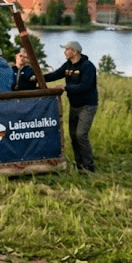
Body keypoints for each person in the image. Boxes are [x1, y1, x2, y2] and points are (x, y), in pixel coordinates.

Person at [43, 41, 98, 172]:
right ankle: (79, 165)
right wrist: (36, 78)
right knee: (73, 135)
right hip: (74, 106)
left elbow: (85, 86)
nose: (64, 52)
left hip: (87, 105)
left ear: (74, 51)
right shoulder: (68, 66)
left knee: (81, 134)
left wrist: (65, 87)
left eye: (67, 49)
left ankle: (89, 167)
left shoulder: (87, 66)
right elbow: (54, 75)